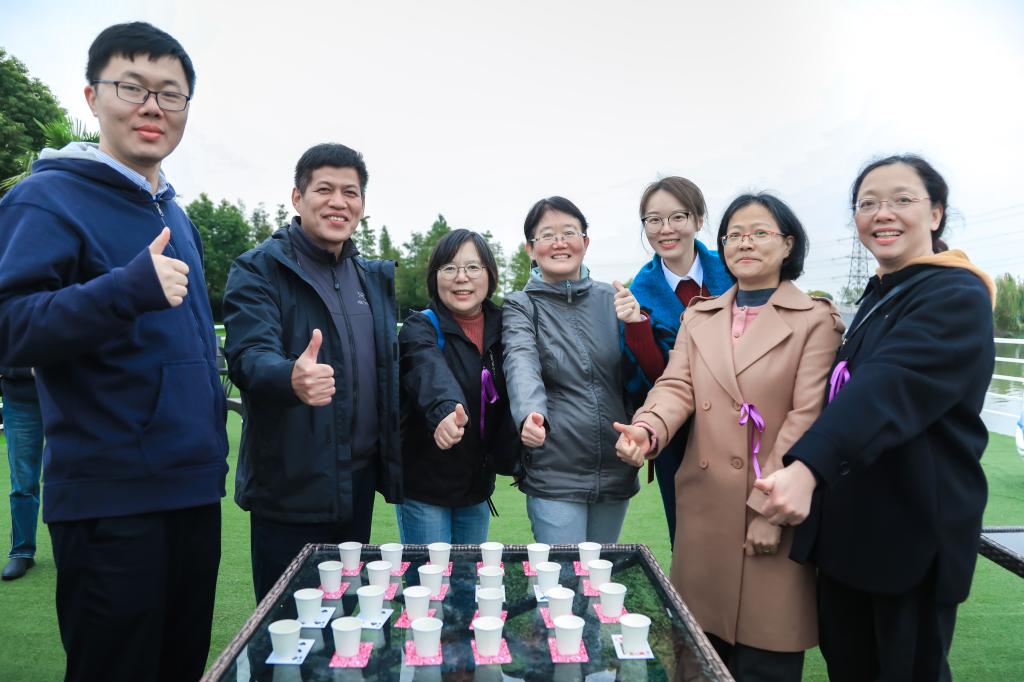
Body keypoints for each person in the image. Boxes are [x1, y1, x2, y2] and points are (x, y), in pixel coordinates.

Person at [0, 22, 228, 680]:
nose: (152, 106)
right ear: (92, 96)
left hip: (193, 489)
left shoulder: (174, 213)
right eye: (132, 87)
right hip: (111, 502)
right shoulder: (46, 198)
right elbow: (9, 325)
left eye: (171, 93)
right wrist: (123, 291)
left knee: (180, 666)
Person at [754, 155, 995, 681]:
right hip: (851, 536)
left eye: (902, 200)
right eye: (868, 203)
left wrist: (806, 468)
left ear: (936, 214)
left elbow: (888, 386)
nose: (883, 213)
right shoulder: (882, 293)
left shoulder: (955, 294)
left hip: (909, 536)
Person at [615, 193, 843, 680]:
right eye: (734, 234)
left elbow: (806, 419)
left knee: (765, 658)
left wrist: (769, 513)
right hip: (705, 513)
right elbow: (676, 386)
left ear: (788, 244)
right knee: (697, 657)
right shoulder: (700, 317)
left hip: (773, 511)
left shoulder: (815, 321)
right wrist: (647, 428)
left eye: (760, 233)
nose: (745, 243)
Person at [223, 143, 401, 601]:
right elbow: (247, 355)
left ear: (362, 204)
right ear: (297, 197)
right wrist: (290, 377)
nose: (338, 202)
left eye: (350, 192)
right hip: (290, 486)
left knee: (346, 620)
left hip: (357, 485)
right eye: (324, 189)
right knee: (286, 624)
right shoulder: (258, 268)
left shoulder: (369, 277)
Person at [502, 196, 639, 544]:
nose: (559, 243)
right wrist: (530, 415)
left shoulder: (614, 299)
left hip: (617, 465)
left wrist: (638, 325)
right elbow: (521, 363)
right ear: (531, 249)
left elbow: (638, 375)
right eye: (547, 235)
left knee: (601, 572)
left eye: (569, 233)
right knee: (561, 575)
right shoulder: (522, 305)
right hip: (555, 470)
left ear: (585, 242)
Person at [616, 177, 733, 546]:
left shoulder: (734, 272)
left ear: (698, 219)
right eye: (654, 220)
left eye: (677, 217)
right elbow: (654, 381)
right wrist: (637, 326)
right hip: (677, 437)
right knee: (688, 543)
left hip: (743, 428)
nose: (665, 229)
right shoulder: (637, 293)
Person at [396, 229, 517, 544]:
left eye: (473, 267)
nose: (461, 277)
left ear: (489, 274)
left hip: (477, 487)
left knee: (469, 573)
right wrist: (446, 411)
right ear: (435, 277)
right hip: (425, 489)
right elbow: (427, 371)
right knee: (431, 575)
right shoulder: (420, 327)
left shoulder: (509, 326)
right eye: (449, 268)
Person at [0, 367, 44, 581]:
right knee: (23, 481)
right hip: (20, 398)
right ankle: (22, 552)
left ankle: (80, 550)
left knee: (77, 474)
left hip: (69, 396)